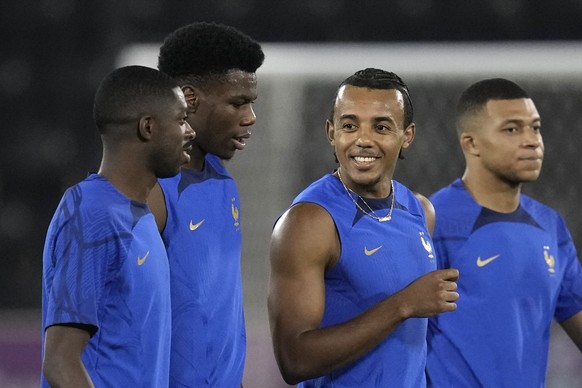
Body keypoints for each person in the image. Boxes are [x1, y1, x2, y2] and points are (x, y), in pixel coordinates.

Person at [267, 68, 460, 387]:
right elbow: (294, 359)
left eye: (381, 126)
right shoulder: (308, 221)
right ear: (331, 133)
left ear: (407, 136)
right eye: (349, 125)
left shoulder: (420, 211)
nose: (363, 140)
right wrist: (403, 304)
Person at [41, 65, 195, 387]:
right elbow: (59, 362)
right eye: (181, 120)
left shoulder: (141, 217)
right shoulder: (92, 214)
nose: (190, 131)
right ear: (148, 127)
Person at [426, 78, 582, 387]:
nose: (531, 141)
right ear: (471, 144)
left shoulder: (550, 226)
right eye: (512, 129)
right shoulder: (435, 220)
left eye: (535, 128)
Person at [147, 22, 264, 387]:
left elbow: (218, 313)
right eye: (237, 103)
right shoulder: (150, 188)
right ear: (189, 98)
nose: (250, 117)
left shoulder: (222, 181)